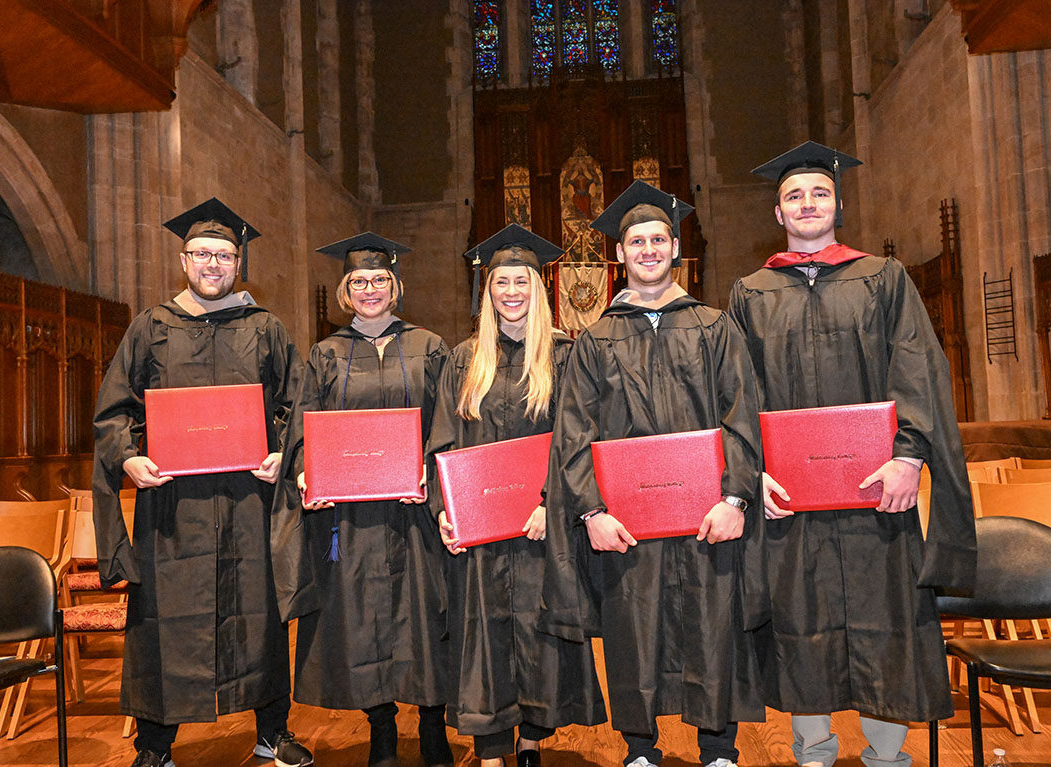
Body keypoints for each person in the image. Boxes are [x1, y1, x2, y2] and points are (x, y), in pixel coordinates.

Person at [728, 141, 977, 767]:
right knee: (799, 617)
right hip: (791, 498)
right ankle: (813, 750)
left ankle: (886, 756)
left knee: (886, 614)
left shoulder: (884, 279)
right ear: (778, 213)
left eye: (818, 193)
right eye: (793, 196)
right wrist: (752, 472)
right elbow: (734, 393)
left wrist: (910, 456)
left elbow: (916, 368)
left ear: (838, 203)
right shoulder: (751, 293)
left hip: (878, 491)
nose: (806, 204)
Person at [542, 181, 768, 767]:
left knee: (712, 625)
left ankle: (719, 749)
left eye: (658, 240)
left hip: (707, 516)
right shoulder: (595, 340)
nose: (647, 250)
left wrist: (736, 499)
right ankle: (640, 749)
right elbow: (574, 433)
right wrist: (592, 511)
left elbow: (742, 416)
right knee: (633, 631)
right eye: (635, 241)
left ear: (675, 248)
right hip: (627, 523)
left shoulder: (715, 327)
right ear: (620, 254)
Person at [92, 198, 312, 767]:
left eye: (224, 255)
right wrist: (129, 459)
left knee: (259, 616)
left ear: (239, 263)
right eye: (202, 254)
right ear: (183, 259)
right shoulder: (151, 327)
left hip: (247, 502)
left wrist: (279, 453)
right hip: (173, 506)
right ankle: (155, 746)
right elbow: (113, 411)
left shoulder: (265, 329)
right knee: (162, 621)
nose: (213, 264)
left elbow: (297, 407)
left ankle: (272, 732)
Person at [426, 225, 607, 767]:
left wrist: (551, 503)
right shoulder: (463, 360)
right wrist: (444, 511)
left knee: (534, 634)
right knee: (483, 640)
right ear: (488, 291)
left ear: (537, 287)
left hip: (539, 528)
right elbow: (441, 440)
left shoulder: (565, 355)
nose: (510, 291)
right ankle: (489, 752)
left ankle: (529, 745)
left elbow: (579, 438)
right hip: (480, 534)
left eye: (520, 281)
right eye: (500, 282)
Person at [270, 233, 453, 767]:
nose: (369, 289)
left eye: (378, 280)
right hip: (349, 517)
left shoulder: (430, 346)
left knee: (424, 613)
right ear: (346, 290)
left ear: (395, 285)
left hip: (415, 507)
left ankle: (433, 725)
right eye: (358, 282)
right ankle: (381, 728)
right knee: (363, 617)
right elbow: (303, 427)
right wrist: (305, 473)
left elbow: (448, 423)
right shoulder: (325, 353)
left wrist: (430, 468)